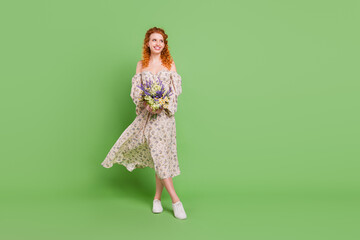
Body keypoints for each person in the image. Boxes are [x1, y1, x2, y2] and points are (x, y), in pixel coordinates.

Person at [101, 27, 187, 220]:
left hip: (165, 119)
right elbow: (136, 93)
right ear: (147, 43)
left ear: (164, 45)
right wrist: (147, 105)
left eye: (161, 41)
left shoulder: (170, 64)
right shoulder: (141, 65)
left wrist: (162, 105)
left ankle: (157, 198)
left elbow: (175, 92)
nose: (158, 44)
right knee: (158, 153)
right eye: (154, 40)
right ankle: (176, 201)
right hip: (148, 118)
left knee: (161, 156)